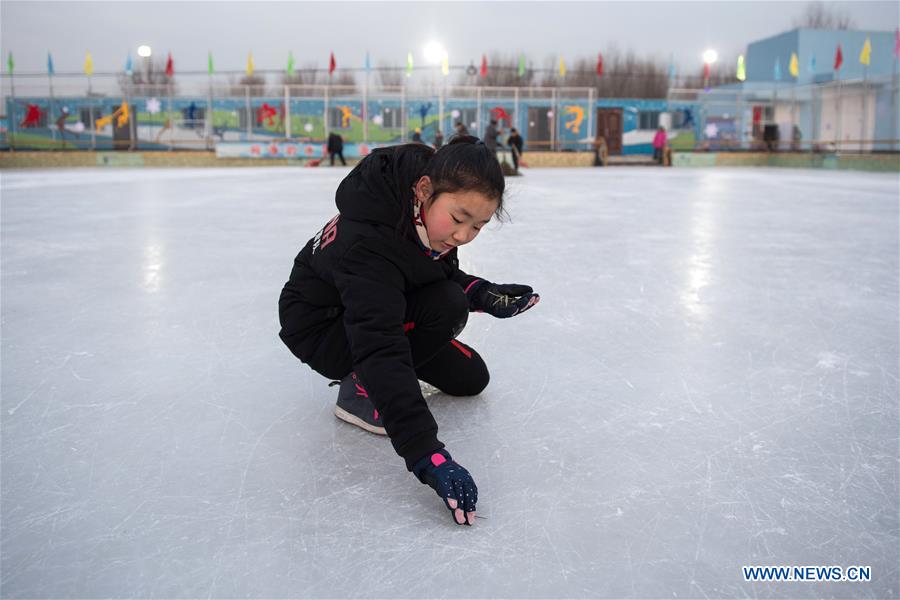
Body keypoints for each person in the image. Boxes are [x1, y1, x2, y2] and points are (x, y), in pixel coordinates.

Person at [278, 137, 540, 526]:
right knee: (445, 307)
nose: (464, 235)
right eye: (459, 219)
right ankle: (361, 391)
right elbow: (380, 344)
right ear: (424, 190)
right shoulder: (370, 242)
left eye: (478, 226)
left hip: (370, 310)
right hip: (324, 328)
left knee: (471, 378)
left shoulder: (425, 212)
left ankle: (386, 379)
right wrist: (427, 455)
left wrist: (484, 294)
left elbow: (436, 272)